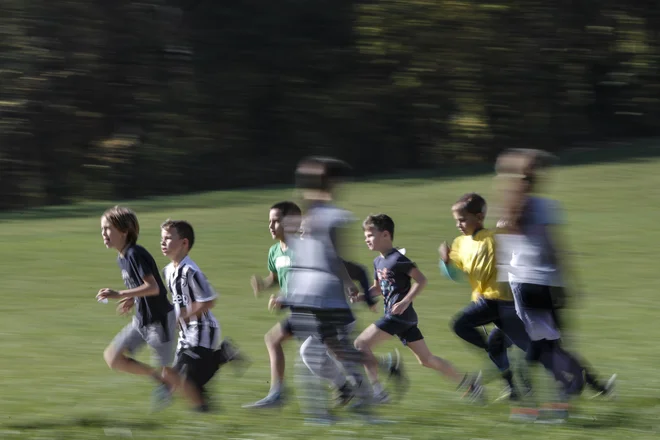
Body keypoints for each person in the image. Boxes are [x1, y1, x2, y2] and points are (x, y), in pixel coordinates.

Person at [494, 149, 615, 420]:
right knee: (554, 346)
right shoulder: (546, 207)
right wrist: (568, 281)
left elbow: (504, 254)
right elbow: (555, 248)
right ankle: (559, 403)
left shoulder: (506, 209)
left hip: (521, 287)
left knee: (540, 346)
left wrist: (509, 288)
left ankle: (531, 405)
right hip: (547, 283)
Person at [355, 213, 484, 403]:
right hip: (403, 318)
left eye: (370, 235)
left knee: (361, 344)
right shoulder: (378, 262)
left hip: (398, 315)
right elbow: (378, 288)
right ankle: (470, 384)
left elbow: (421, 280)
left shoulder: (398, 259)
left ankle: (378, 392)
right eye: (365, 236)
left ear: (385, 235)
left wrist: (406, 301)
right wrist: (362, 296)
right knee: (427, 360)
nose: (367, 240)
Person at [96, 206, 204, 412]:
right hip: (142, 320)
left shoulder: (136, 254)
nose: (104, 233)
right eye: (102, 229)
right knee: (113, 357)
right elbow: (144, 288)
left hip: (159, 321)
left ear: (124, 231)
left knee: (170, 374)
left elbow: (154, 287)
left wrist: (120, 294)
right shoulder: (123, 257)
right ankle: (159, 379)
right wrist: (133, 300)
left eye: (108, 228)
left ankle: (202, 407)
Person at [439, 193, 532, 401]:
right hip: (485, 302)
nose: (458, 224)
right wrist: (445, 261)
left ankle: (557, 376)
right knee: (502, 347)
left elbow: (519, 247)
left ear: (479, 217)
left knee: (461, 325)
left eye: (462, 219)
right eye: (456, 220)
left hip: (500, 301)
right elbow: (455, 275)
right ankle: (515, 390)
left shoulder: (494, 237)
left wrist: (511, 229)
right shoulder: (460, 243)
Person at [160, 219, 246, 411]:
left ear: (184, 243)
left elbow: (209, 300)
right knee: (181, 379)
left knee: (184, 378)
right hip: (185, 333)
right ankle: (206, 408)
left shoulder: (191, 271)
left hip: (202, 330)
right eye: (162, 239)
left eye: (168, 238)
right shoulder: (167, 271)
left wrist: (184, 316)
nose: (162, 243)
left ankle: (222, 355)